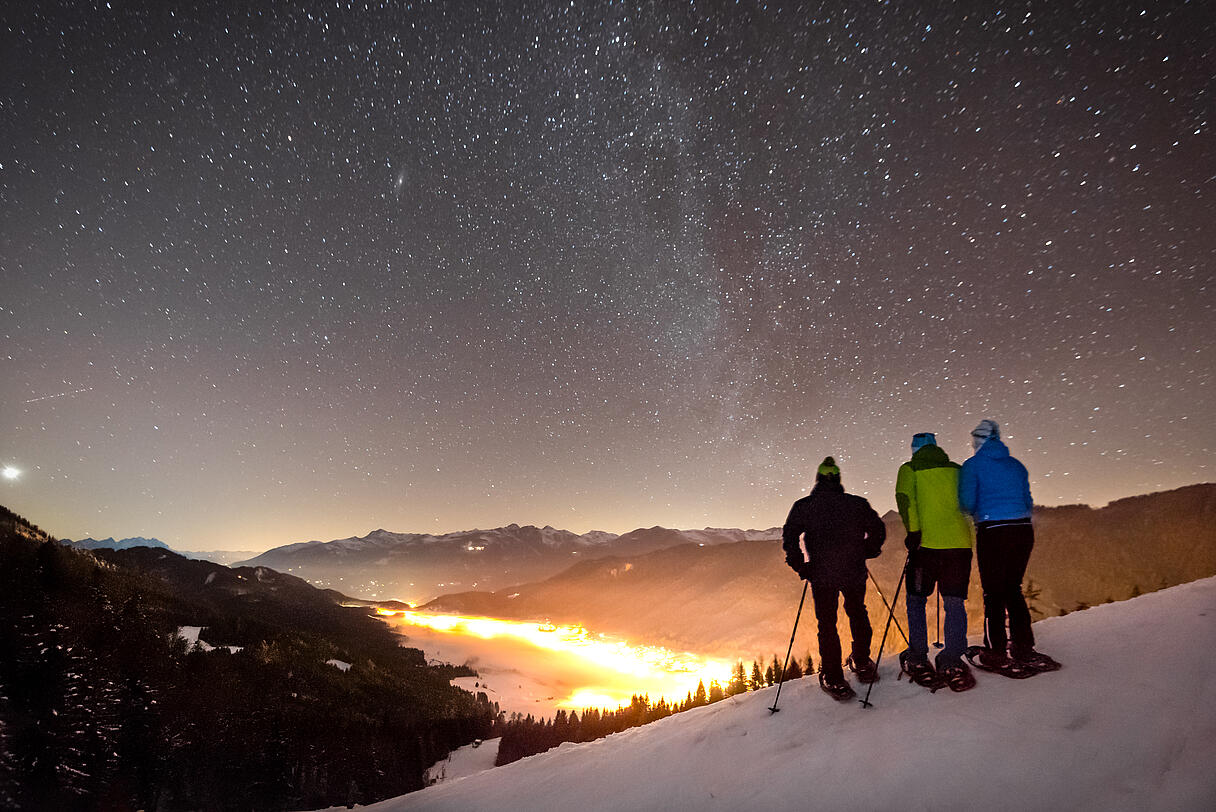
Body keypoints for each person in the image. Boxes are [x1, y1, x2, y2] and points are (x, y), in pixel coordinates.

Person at [782, 456, 886, 700]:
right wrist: (867, 551)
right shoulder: (857, 504)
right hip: (853, 570)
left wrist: (801, 566)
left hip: (821, 574)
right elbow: (878, 530)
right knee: (858, 612)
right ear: (839, 480)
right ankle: (861, 662)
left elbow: (789, 538)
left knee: (826, 624)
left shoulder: (805, 506)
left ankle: (833, 676)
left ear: (817, 480)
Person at [959, 420, 1059, 673]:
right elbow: (1028, 500)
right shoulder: (1016, 466)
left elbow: (967, 502)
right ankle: (1023, 646)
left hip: (993, 531)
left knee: (993, 593)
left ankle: (996, 651)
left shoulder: (972, 466)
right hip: (1023, 530)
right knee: (1013, 589)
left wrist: (979, 514)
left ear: (978, 440)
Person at [895, 432, 976, 691]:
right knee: (954, 602)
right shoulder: (957, 469)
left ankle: (918, 656)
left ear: (915, 449)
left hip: (926, 547)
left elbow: (905, 501)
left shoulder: (909, 469)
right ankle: (951, 660)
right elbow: (969, 503)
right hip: (959, 546)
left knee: (916, 600)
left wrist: (914, 533)